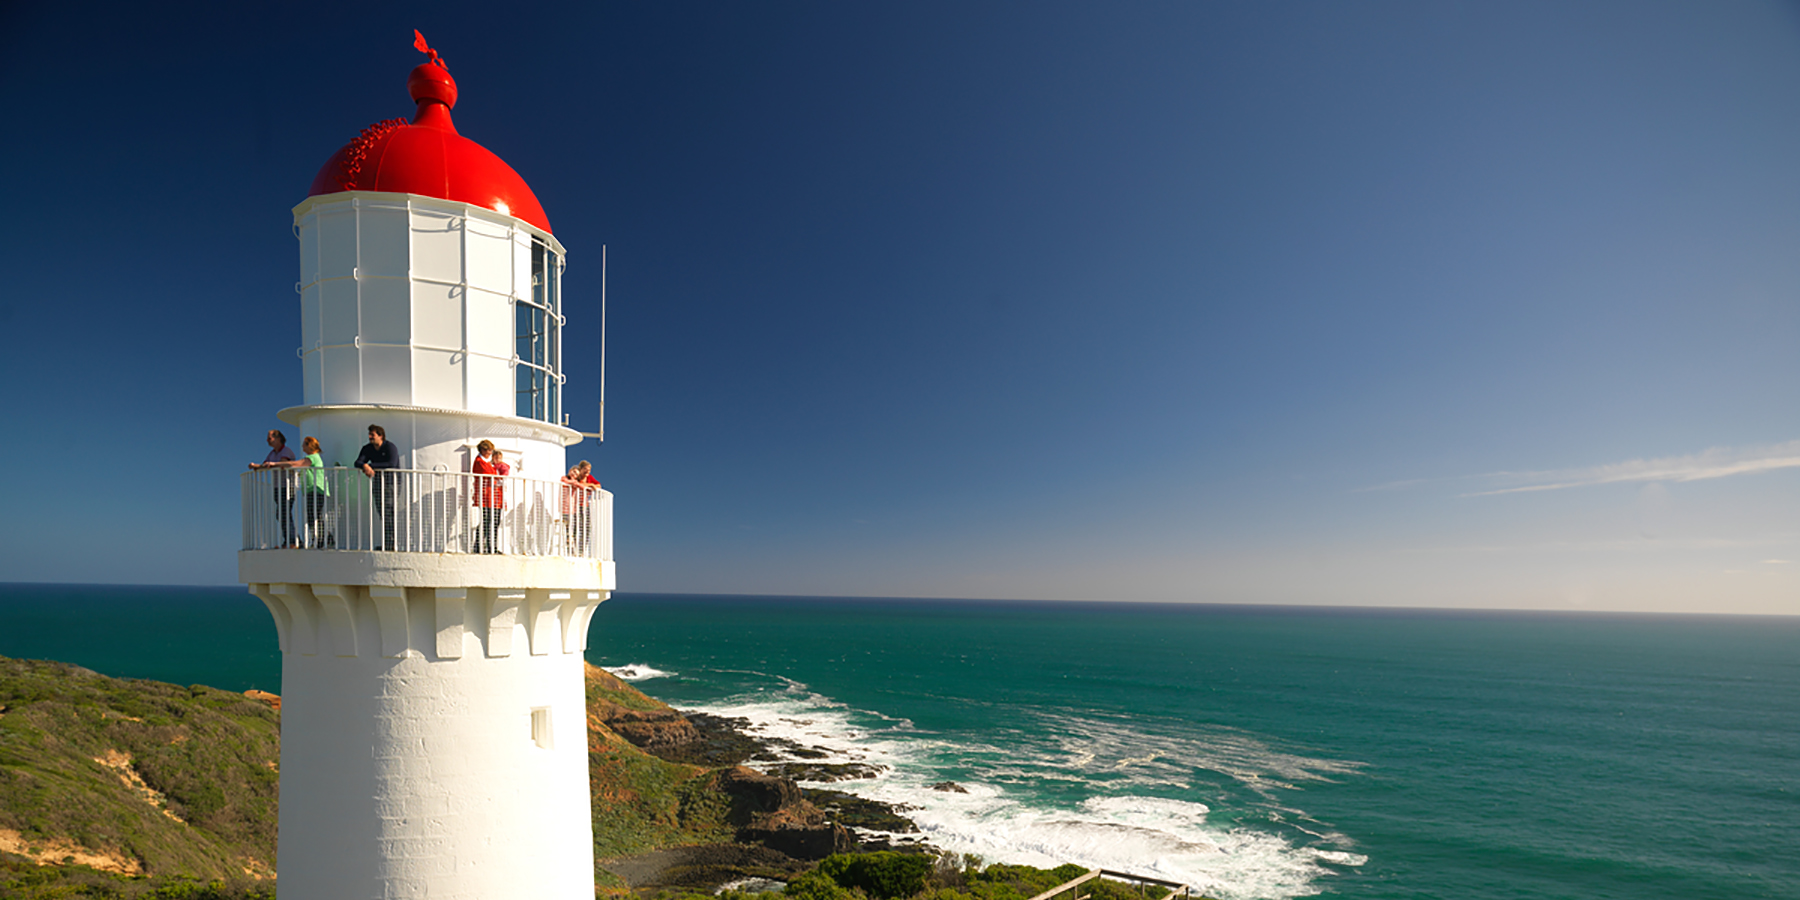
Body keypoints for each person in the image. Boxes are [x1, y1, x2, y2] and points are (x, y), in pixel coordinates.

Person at [266, 437, 331, 548]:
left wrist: (274, 464)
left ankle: (323, 540)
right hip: (312, 490)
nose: (302, 447)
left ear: (309, 445)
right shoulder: (314, 458)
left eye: (304, 445)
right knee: (314, 516)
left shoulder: (312, 457)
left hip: (316, 489)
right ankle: (323, 539)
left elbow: (296, 464)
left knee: (313, 516)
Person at [354, 424, 401, 550]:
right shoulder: (368, 448)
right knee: (382, 512)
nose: (370, 437)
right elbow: (357, 462)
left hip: (391, 483)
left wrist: (371, 466)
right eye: (369, 435)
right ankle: (387, 543)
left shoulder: (390, 447)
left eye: (372, 435)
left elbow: (391, 463)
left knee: (389, 511)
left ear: (381, 436)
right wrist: (365, 466)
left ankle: (391, 543)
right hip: (378, 483)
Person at [248, 430, 297, 548]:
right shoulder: (272, 453)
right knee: (280, 514)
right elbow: (266, 465)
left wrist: (271, 465)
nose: (267, 440)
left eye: (270, 438)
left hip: (287, 486)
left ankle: (292, 541)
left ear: (278, 438)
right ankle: (290, 540)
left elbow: (283, 463)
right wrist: (256, 466)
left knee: (284, 513)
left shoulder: (286, 451)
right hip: (278, 487)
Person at [560, 460, 601, 555]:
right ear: (580, 469)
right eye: (585, 469)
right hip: (575, 505)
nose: (587, 472)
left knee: (586, 528)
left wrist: (590, 485)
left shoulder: (589, 477)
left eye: (589, 469)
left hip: (584, 505)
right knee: (574, 528)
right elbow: (576, 484)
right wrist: (589, 486)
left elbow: (598, 485)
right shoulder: (577, 477)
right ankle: (571, 550)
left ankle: (581, 550)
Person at [471, 440, 499, 553]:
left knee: (493, 522)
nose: (491, 453)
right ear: (483, 450)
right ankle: (481, 546)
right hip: (485, 496)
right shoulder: (479, 461)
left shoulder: (487, 462)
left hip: (492, 496)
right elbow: (490, 474)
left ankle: (490, 546)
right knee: (486, 521)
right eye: (489, 450)